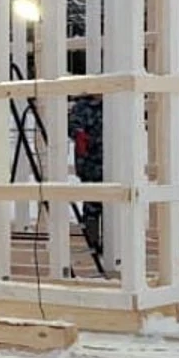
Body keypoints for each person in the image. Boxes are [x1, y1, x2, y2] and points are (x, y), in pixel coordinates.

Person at [68, 94, 105, 260]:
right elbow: (72, 127)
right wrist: (80, 136)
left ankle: (109, 243)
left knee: (111, 205)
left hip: (109, 162)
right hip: (91, 163)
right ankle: (93, 243)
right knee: (92, 205)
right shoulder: (83, 106)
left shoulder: (113, 103)